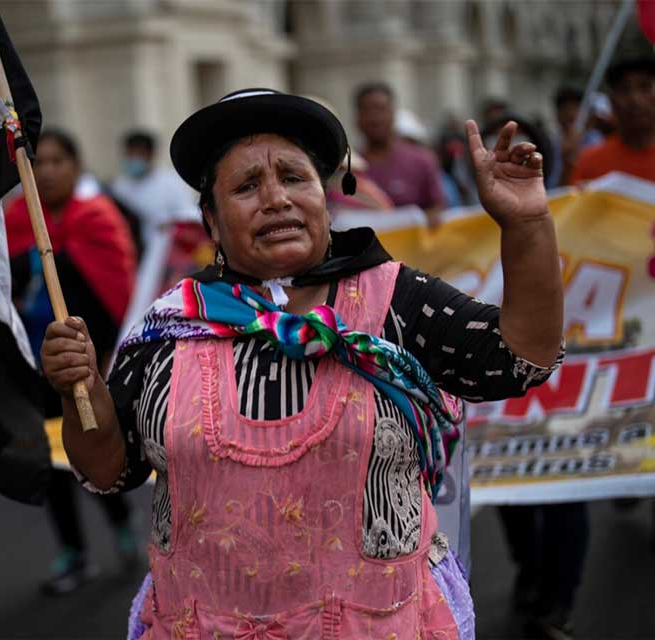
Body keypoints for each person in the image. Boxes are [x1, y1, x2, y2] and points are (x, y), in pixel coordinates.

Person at [43, 89, 564, 640]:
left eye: (294, 178)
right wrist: (80, 391)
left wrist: (526, 223)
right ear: (212, 222)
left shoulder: (399, 301)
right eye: (246, 187)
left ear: (325, 199)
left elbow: (521, 357)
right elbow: (107, 471)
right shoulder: (170, 326)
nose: (276, 199)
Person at [5, 130, 141, 595]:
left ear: (77, 165)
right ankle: (73, 552)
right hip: (35, 368)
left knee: (98, 450)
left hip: (92, 367)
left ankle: (122, 526)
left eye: (58, 160)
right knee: (51, 461)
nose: (46, 171)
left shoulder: (99, 219)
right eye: (37, 163)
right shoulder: (14, 224)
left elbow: (115, 294)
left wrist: (104, 359)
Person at [355, 83, 447, 217]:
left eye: (380, 109)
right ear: (357, 118)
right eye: (367, 110)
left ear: (393, 114)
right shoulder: (348, 169)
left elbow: (439, 209)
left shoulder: (422, 160)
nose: (375, 118)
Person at [110, 130, 201, 253]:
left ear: (150, 154)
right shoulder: (119, 186)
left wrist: (171, 224)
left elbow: (190, 214)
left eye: (139, 154)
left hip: (167, 249)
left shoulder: (170, 181)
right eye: (130, 154)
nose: (133, 159)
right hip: (134, 249)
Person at [571, 56, 655, 185]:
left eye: (645, 87)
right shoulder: (589, 162)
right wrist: (567, 166)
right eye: (624, 90)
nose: (635, 99)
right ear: (611, 100)